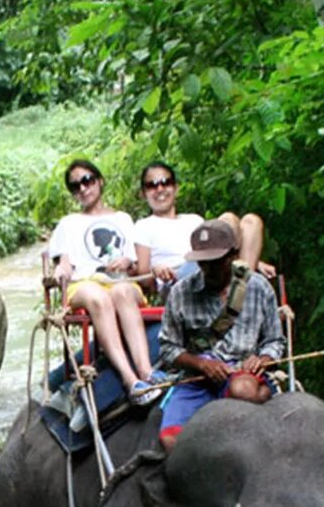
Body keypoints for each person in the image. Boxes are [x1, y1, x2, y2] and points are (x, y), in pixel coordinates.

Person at [156, 219, 285, 448]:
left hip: (241, 373)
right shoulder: (181, 292)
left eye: (216, 262)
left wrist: (263, 359)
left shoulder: (257, 287)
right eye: (203, 263)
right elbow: (168, 348)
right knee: (171, 440)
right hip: (196, 379)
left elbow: (274, 341)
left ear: (233, 256)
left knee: (243, 390)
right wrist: (200, 364)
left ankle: (264, 393)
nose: (209, 269)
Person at [48, 159, 165, 404]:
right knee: (98, 297)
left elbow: (136, 265)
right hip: (85, 284)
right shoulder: (67, 224)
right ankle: (130, 380)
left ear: (99, 181)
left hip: (122, 280)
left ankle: (147, 371)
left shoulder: (123, 219)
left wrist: (126, 263)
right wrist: (61, 269)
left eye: (87, 181)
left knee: (121, 291)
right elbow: (65, 262)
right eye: (75, 186)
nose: (83, 188)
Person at [132, 162, 275, 298]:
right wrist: (156, 269)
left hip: (210, 267)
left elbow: (217, 246)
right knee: (228, 219)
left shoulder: (194, 220)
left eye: (166, 182)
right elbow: (144, 277)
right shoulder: (144, 226)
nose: (160, 189)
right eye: (152, 185)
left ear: (176, 188)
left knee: (251, 221)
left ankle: (239, 295)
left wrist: (256, 263)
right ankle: (238, 296)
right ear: (144, 193)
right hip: (179, 278)